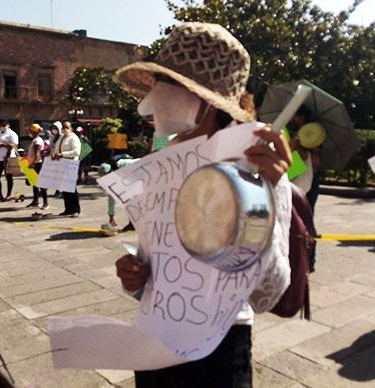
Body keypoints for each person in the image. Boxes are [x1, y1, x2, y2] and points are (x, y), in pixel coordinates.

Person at [112, 22, 292, 387]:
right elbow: (154, 259)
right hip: (154, 335)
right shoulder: (163, 161)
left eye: (170, 86)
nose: (153, 100)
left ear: (208, 100)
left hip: (220, 347)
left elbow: (270, 292)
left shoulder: (256, 164)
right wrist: (135, 275)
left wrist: (264, 200)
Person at [52, 121, 81, 217]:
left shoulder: (74, 138)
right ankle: (68, 209)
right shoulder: (61, 137)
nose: (65, 129)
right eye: (63, 127)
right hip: (62, 164)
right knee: (64, 187)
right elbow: (56, 148)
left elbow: (76, 152)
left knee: (71, 188)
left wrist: (62, 154)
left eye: (67, 127)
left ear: (71, 128)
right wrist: (53, 155)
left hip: (71, 164)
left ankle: (76, 209)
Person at [0, 121, 18, 201]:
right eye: (1, 125)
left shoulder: (11, 134)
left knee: (9, 176)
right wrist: (1, 145)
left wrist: (2, 145)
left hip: (8, 158)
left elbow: (13, 145)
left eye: (4, 125)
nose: (2, 127)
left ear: (8, 126)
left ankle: (8, 195)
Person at [26, 123, 49, 209]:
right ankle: (35, 201)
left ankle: (46, 203)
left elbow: (37, 153)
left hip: (37, 164)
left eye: (31, 131)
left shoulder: (37, 141)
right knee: (34, 183)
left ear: (33, 131)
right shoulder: (35, 140)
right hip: (35, 163)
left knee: (40, 183)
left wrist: (32, 163)